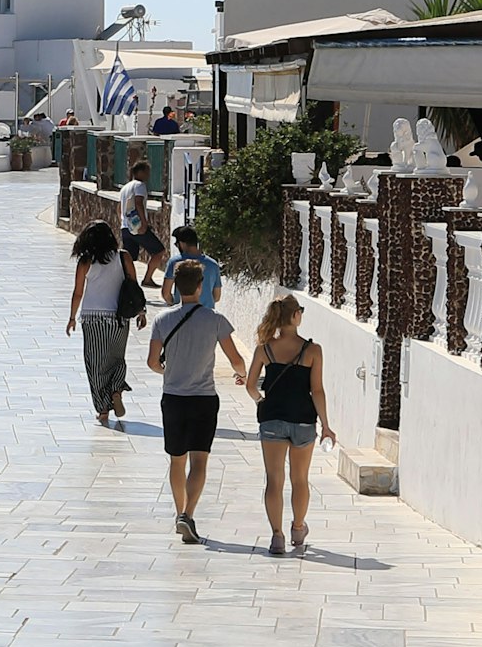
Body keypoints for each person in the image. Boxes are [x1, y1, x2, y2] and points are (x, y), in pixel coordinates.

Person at [145, 257, 248, 546]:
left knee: (176, 461)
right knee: (199, 461)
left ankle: (180, 512)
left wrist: (170, 371)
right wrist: (242, 376)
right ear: (201, 287)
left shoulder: (162, 320)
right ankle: (188, 514)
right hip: (203, 399)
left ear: (176, 287)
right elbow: (237, 360)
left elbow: (153, 362)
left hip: (173, 398)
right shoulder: (215, 321)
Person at [244, 291, 327, 553]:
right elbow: (317, 391)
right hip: (303, 420)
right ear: (295, 315)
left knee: (274, 479)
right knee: (300, 478)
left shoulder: (264, 349)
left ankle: (277, 536)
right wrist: (326, 425)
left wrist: (260, 402)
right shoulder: (312, 350)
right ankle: (298, 528)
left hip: (272, 420)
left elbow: (250, 386)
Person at [66, 219, 135, 428]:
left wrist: (71, 318)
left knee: (95, 364)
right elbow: (133, 287)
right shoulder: (123, 257)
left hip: (93, 319)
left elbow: (78, 292)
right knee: (116, 359)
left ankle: (103, 409)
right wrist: (141, 312)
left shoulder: (86, 261)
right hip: (119, 318)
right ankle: (116, 389)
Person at [117, 175, 166, 290]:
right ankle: (147, 279)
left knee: (128, 257)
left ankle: (125, 282)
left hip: (126, 227)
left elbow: (119, 208)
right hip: (137, 227)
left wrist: (123, 222)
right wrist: (144, 223)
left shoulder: (125, 188)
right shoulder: (140, 185)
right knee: (159, 251)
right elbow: (138, 203)